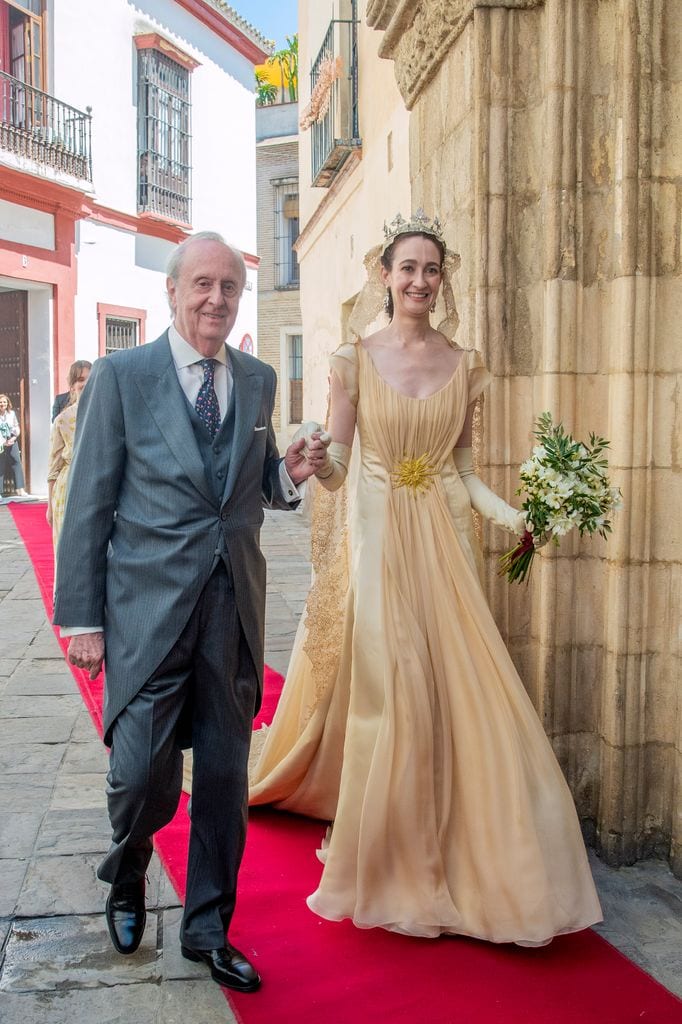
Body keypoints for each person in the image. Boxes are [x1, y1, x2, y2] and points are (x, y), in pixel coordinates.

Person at [249, 211, 603, 945]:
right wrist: (314, 463)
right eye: (407, 268)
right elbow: (342, 468)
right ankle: (391, 858)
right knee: (399, 686)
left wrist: (520, 519)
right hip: (378, 547)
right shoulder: (352, 360)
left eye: (431, 270)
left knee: (465, 686)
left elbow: (463, 472)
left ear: (443, 282)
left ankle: (478, 850)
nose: (419, 280)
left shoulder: (465, 362)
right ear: (385, 275)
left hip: (443, 546)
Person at [53, 231, 327, 992]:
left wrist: (286, 474)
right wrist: (83, 618)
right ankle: (128, 869)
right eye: (201, 284)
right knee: (142, 774)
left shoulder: (260, 379)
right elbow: (88, 504)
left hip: (230, 610)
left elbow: (245, 487)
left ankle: (208, 927)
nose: (215, 299)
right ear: (173, 292)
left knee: (222, 782)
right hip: (146, 610)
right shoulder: (123, 376)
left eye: (229, 287)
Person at [46, 361, 91, 561]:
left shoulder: (109, 413)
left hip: (97, 486)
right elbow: (53, 467)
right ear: (72, 385)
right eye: (81, 379)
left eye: (90, 378)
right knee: (68, 553)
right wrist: (49, 506)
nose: (86, 383)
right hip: (68, 490)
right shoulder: (62, 420)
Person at [0, 393, 27, 497]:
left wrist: (14, 437)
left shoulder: (11, 413)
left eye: (4, 402)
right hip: (1, 443)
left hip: (12, 441)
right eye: (1, 402)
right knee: (0, 466)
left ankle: (20, 489)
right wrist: (3, 441)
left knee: (16, 463)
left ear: (8, 403)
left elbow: (16, 426)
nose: (2, 404)